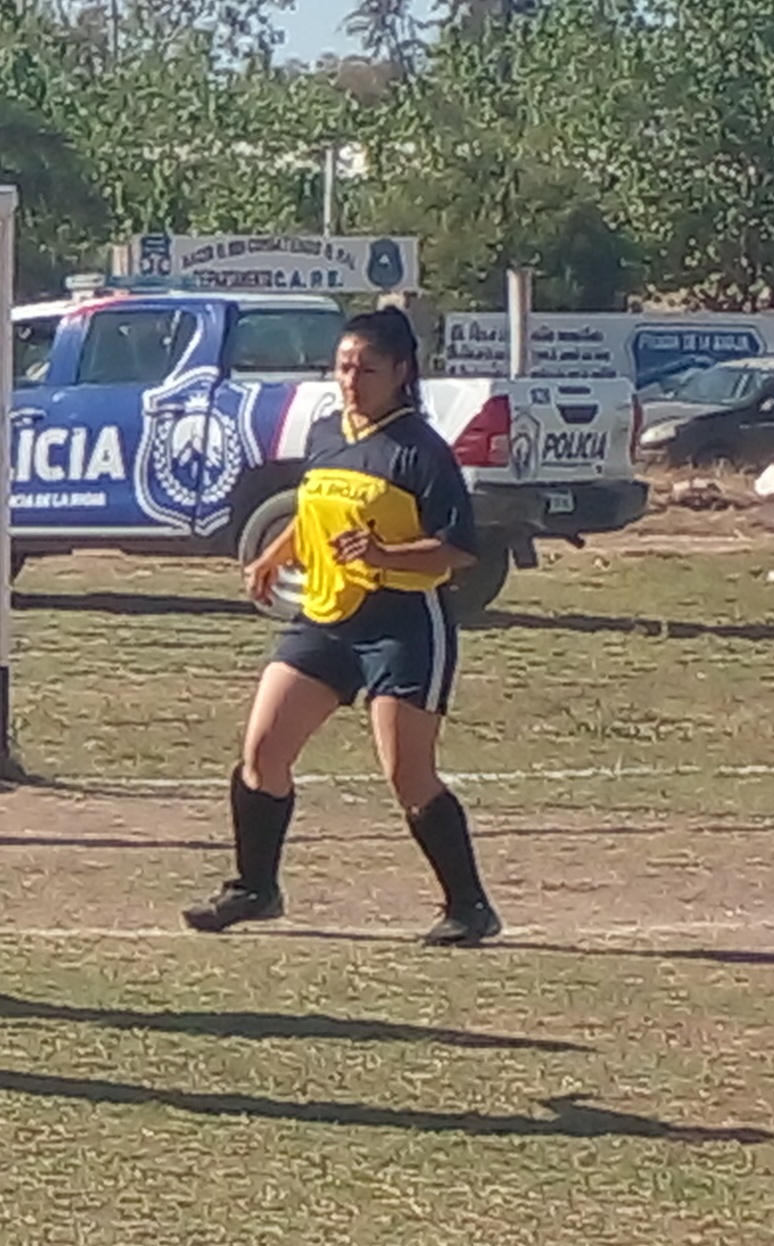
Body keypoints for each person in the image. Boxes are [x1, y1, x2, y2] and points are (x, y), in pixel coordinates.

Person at [184, 306, 500, 947]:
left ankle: (469, 906)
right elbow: (315, 513)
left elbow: (459, 549)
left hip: (403, 624)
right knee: (263, 752)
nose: (351, 380)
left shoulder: (420, 451)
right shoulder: (330, 431)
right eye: (344, 365)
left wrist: (384, 556)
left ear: (402, 373)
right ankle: (255, 887)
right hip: (326, 617)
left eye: (368, 369)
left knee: (407, 775)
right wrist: (273, 557)